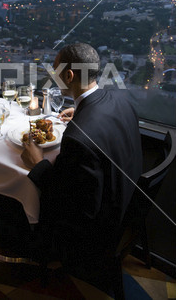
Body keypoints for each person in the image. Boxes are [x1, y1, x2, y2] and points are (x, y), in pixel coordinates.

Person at [22, 43, 143, 272]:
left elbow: (73, 206)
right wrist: (82, 113)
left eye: (55, 70)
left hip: (101, 228)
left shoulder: (78, 138)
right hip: (129, 197)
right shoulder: (120, 100)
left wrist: (38, 164)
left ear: (68, 76)